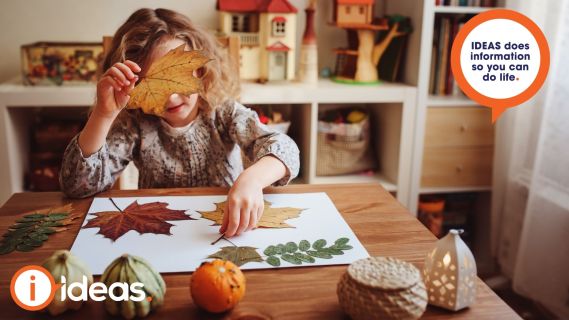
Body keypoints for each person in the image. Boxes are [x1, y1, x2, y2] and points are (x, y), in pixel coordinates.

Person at [60, 8, 300, 238]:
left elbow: (285, 149)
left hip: (222, 226)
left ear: (200, 70)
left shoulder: (223, 113)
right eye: (154, 86)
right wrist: (103, 114)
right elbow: (78, 186)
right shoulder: (135, 125)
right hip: (159, 231)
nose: (171, 97)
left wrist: (251, 180)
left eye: (177, 80)